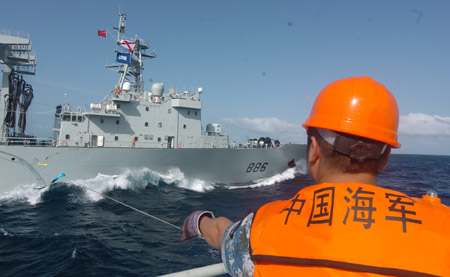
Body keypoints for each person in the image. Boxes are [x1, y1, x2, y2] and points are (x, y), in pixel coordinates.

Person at [179, 76, 450, 276]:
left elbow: (221, 234)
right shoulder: (443, 227)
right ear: (386, 156)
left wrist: (199, 221)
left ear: (314, 150)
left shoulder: (262, 229)